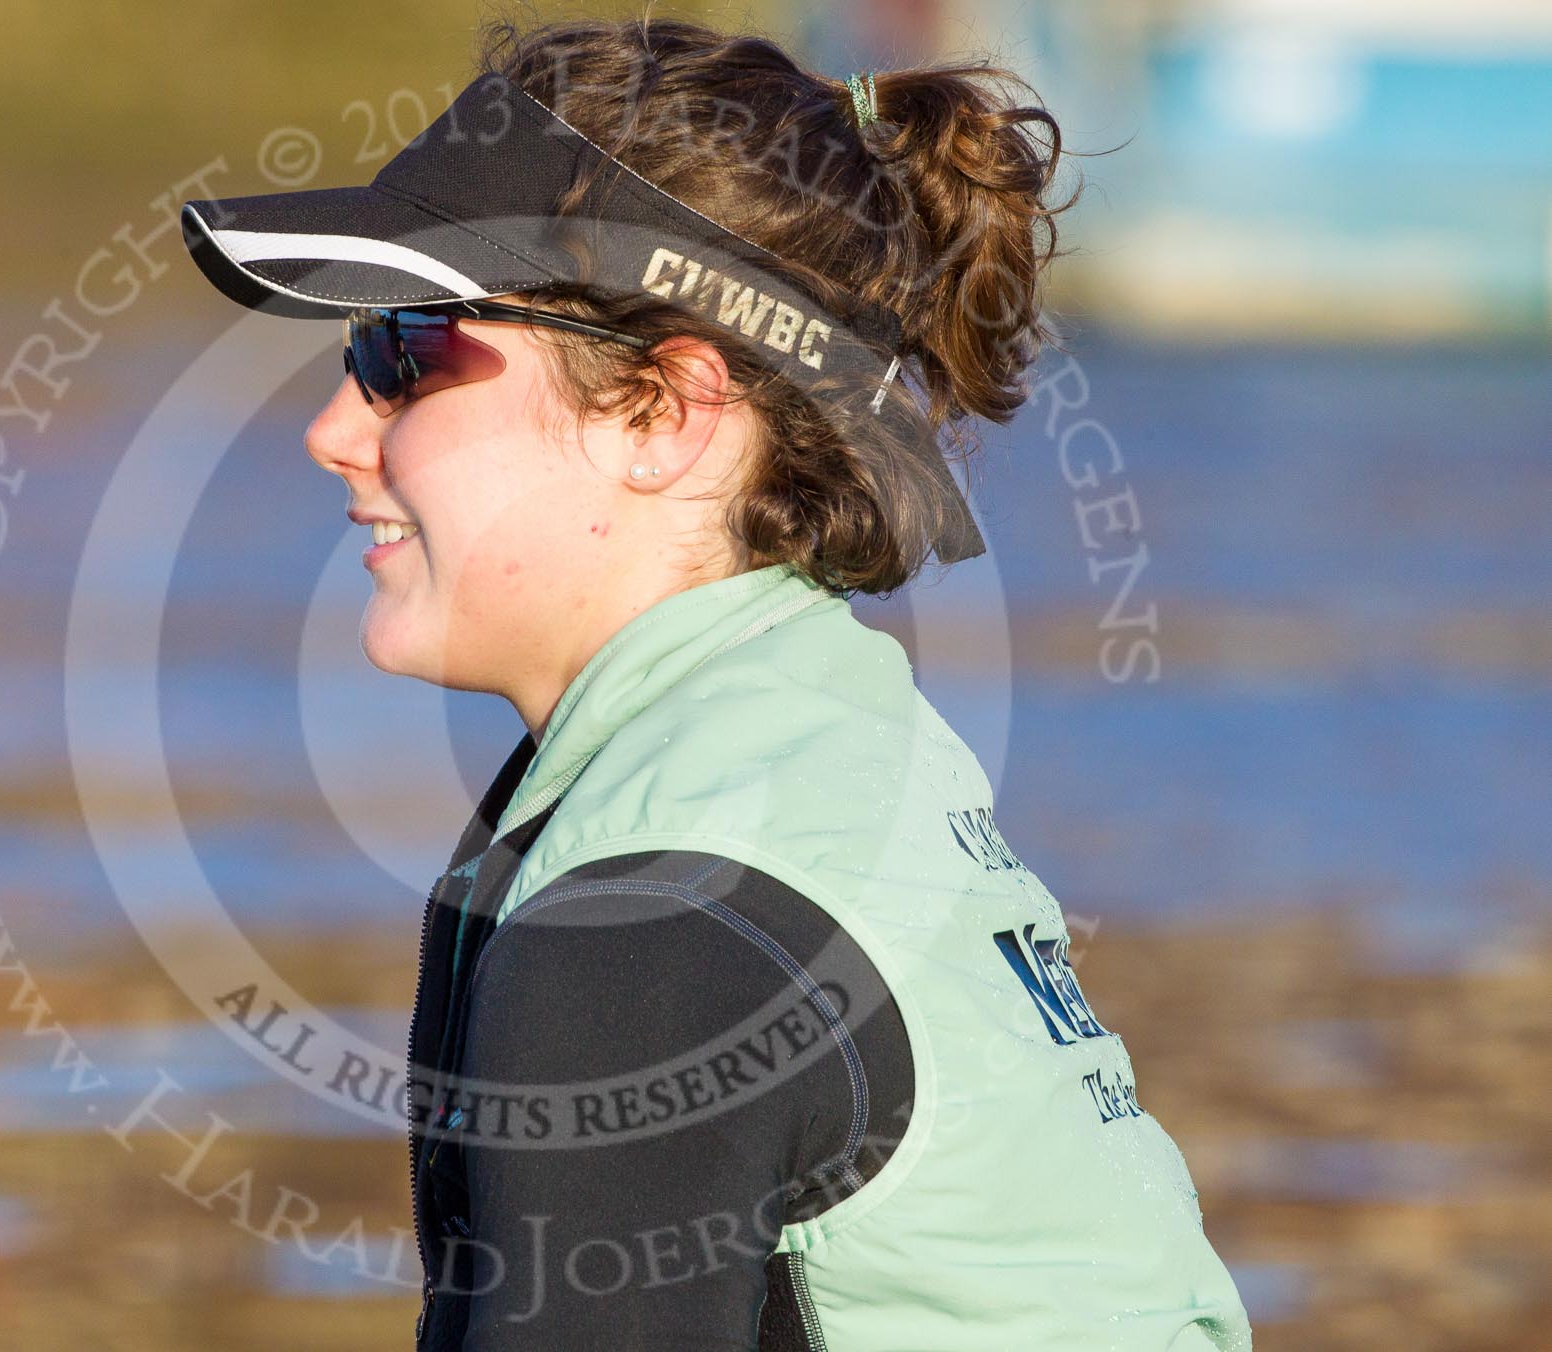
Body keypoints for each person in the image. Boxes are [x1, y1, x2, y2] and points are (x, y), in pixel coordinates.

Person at [178, 13, 1252, 1351]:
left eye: (409, 351)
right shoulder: (811, 738)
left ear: (667, 416)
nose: (333, 428)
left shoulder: (655, 925)